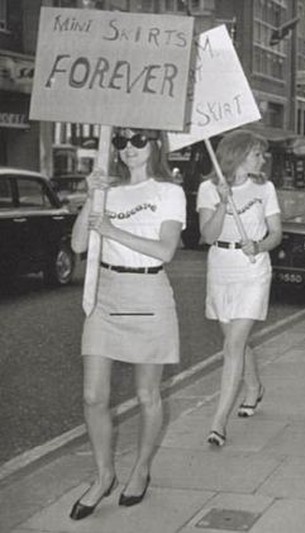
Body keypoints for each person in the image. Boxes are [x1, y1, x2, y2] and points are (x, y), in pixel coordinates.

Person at [69, 128, 186, 520]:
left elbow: (166, 249)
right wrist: (91, 198)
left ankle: (141, 468)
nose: (129, 149)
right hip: (106, 293)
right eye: (122, 142)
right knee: (93, 397)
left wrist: (114, 230)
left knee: (147, 395)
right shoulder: (108, 190)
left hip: (149, 294)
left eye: (139, 140)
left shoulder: (168, 191)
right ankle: (103, 476)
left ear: (155, 145)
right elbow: (79, 246)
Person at [197, 129, 282, 447]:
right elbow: (206, 235)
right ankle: (254, 385)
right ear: (239, 154)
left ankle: (218, 422)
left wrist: (259, 246)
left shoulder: (266, 188)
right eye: (257, 153)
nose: (263, 159)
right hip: (220, 266)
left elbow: (276, 233)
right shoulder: (208, 188)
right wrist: (221, 202)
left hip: (253, 270)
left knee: (232, 346)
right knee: (237, 342)